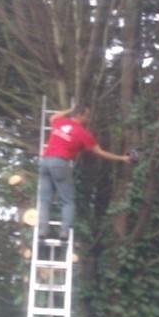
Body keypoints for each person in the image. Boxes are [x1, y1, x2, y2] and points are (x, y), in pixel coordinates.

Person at [37, 104, 131, 243]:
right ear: (80, 115)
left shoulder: (61, 123)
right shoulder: (83, 133)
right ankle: (64, 232)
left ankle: (42, 230)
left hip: (45, 162)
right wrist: (122, 158)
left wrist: (70, 109)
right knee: (68, 201)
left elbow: (54, 116)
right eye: (86, 115)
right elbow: (100, 152)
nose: (88, 118)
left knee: (45, 200)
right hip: (60, 163)